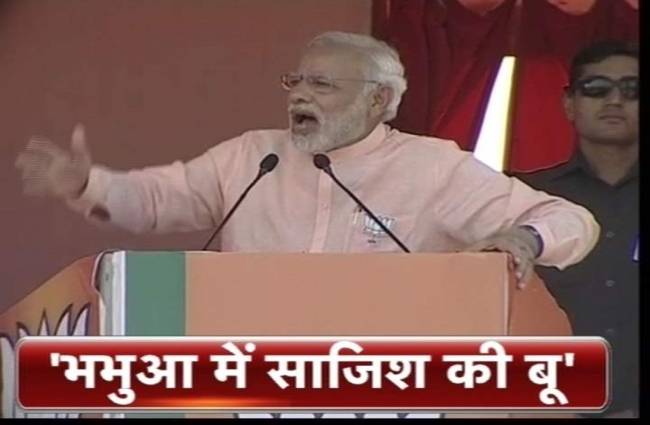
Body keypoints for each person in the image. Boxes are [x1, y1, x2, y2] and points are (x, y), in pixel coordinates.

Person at [15, 31, 600, 289]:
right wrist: (86, 183)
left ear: (378, 100)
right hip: (252, 377)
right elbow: (156, 201)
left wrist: (525, 238)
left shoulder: (434, 168)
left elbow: (571, 220)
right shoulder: (254, 156)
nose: (299, 96)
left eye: (321, 85)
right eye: (295, 81)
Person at [517, 40, 638, 418]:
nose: (614, 100)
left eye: (632, 90)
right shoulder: (525, 198)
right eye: (596, 88)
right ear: (569, 104)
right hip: (547, 403)